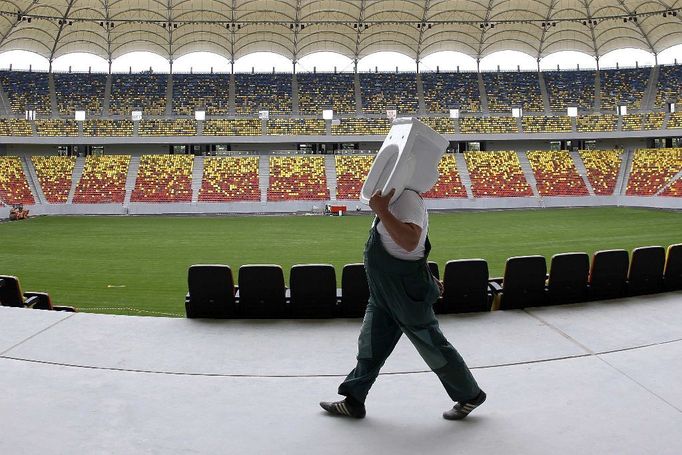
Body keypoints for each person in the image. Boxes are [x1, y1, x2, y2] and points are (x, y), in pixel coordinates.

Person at [320, 187, 485, 420]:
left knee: (432, 345)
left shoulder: (406, 198)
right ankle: (354, 400)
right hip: (383, 292)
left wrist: (382, 211)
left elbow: (410, 241)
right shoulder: (394, 197)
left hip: (405, 294)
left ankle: (470, 395)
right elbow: (407, 249)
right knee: (370, 346)